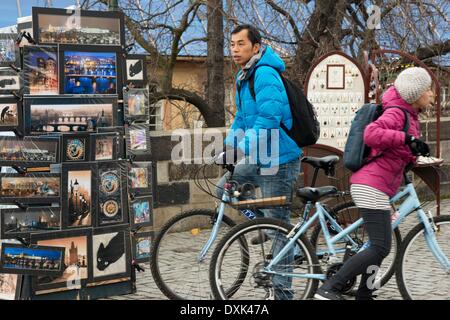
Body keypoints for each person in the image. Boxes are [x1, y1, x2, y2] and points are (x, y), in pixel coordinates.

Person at [315, 67, 433, 300]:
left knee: (377, 247)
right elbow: (372, 134)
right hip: (371, 186)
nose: (432, 93)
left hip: (378, 185)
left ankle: (365, 294)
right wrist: (407, 138)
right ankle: (330, 288)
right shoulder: (398, 112)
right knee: (380, 246)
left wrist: (414, 152)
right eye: (428, 89)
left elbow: (395, 151)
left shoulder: (408, 113)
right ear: (416, 93)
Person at [215, 24, 302, 300]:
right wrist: (228, 149)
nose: (235, 50)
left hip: (280, 158)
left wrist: (240, 151)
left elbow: (268, 120)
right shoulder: (245, 76)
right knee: (224, 189)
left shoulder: (264, 74)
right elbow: (242, 119)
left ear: (256, 46)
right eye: (232, 44)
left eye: (241, 44)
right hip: (259, 155)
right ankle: (265, 226)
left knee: (280, 228)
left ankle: (283, 294)